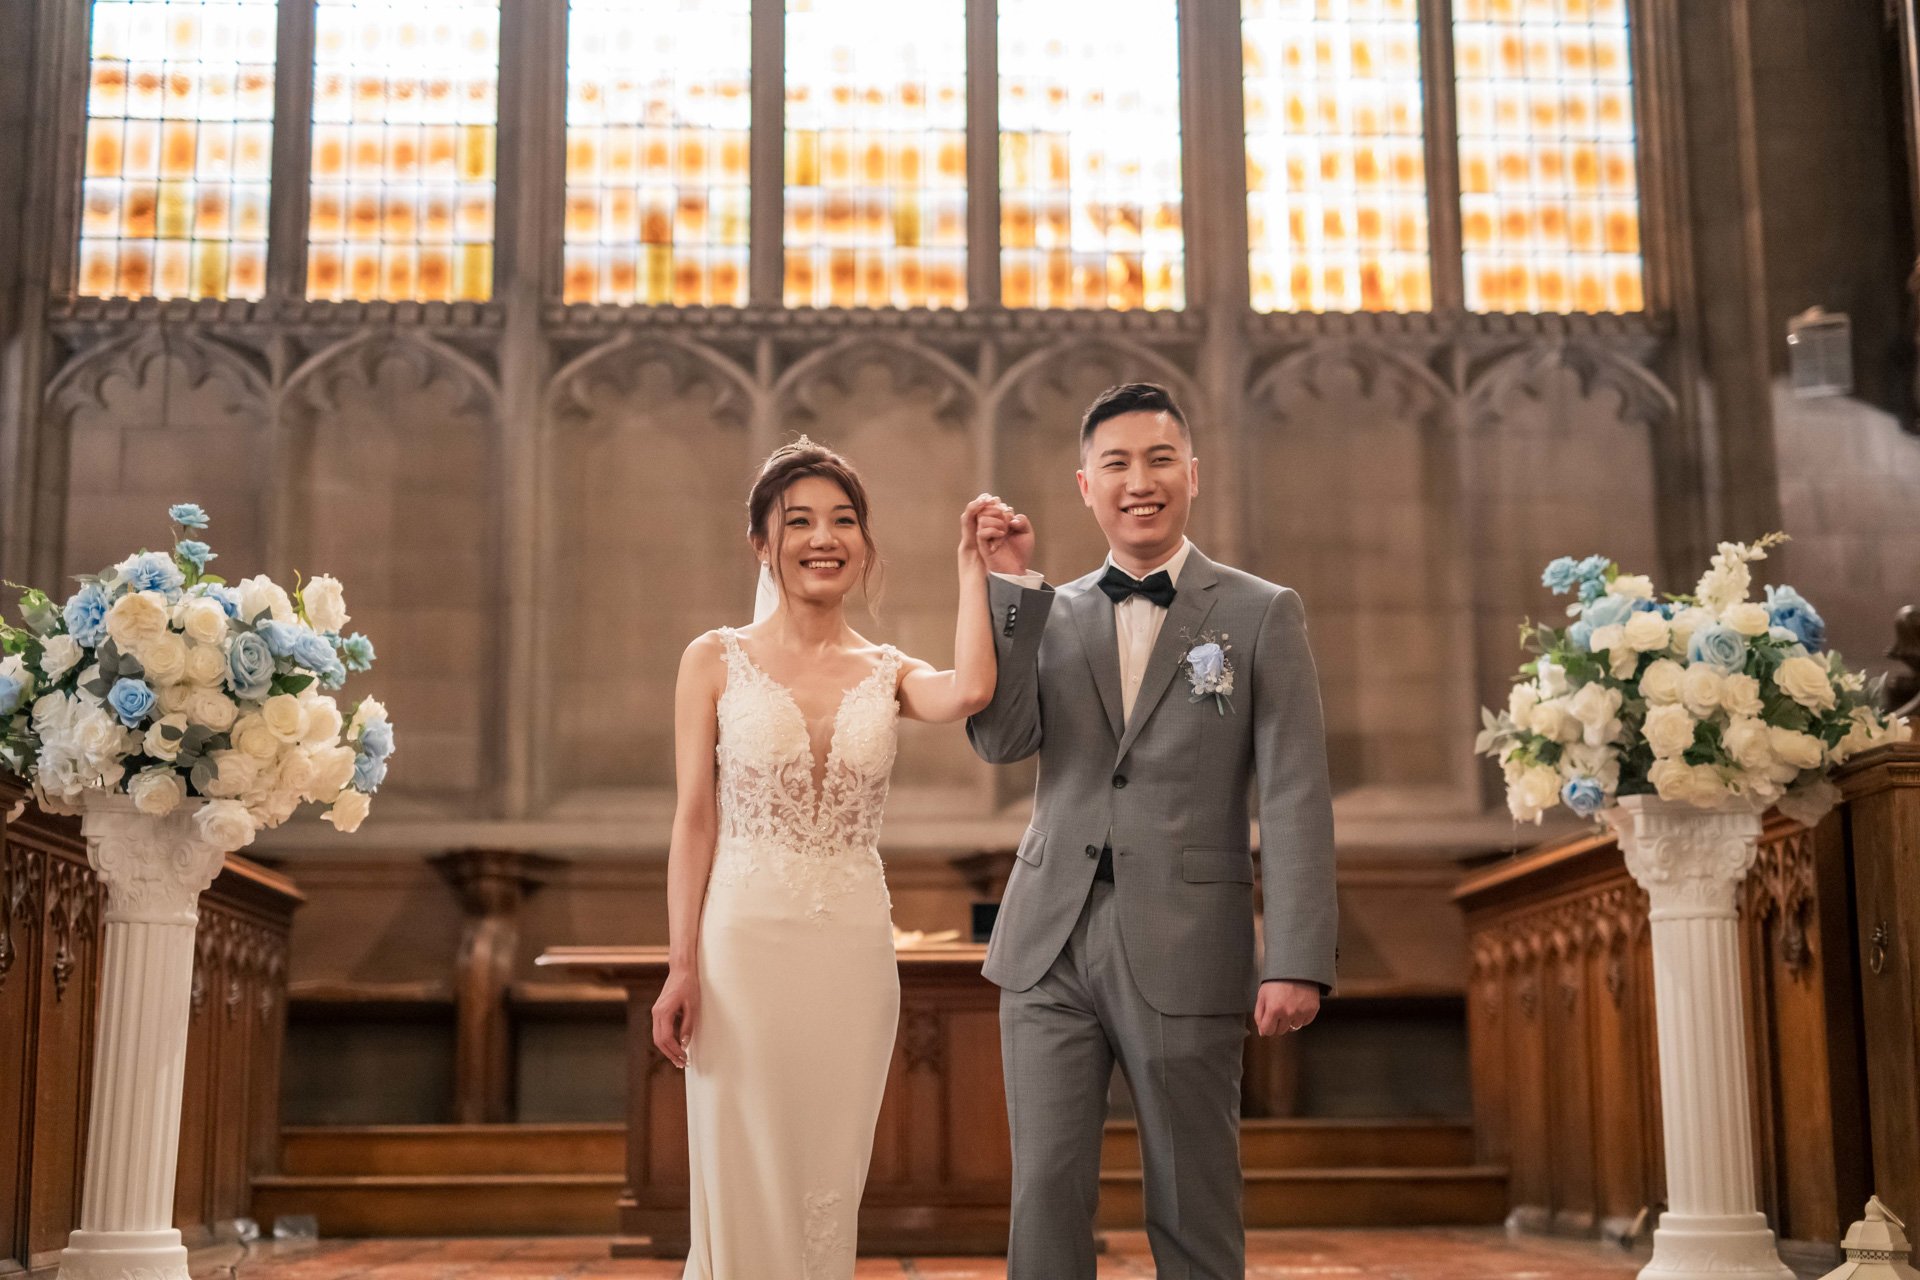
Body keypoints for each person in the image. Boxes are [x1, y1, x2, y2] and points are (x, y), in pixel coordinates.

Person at [968, 382, 1337, 1280]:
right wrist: (1008, 589)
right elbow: (1001, 738)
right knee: (1046, 1185)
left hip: (1189, 936)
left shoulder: (1260, 612)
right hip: (1048, 936)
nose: (1141, 480)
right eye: (1117, 464)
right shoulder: (1045, 609)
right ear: (1085, 486)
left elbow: (1293, 791)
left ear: (1192, 476)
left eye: (1160, 459)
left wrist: (1296, 956)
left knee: (1192, 1189)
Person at [649, 438, 999, 1280]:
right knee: (742, 1163)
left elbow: (972, 692)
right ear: (763, 544)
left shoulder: (887, 671)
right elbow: (694, 820)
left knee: (827, 1177)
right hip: (742, 944)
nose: (824, 537)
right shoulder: (713, 659)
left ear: (865, 545)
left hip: (849, 948)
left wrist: (974, 572)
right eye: (799, 520)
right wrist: (680, 965)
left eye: (843, 520)